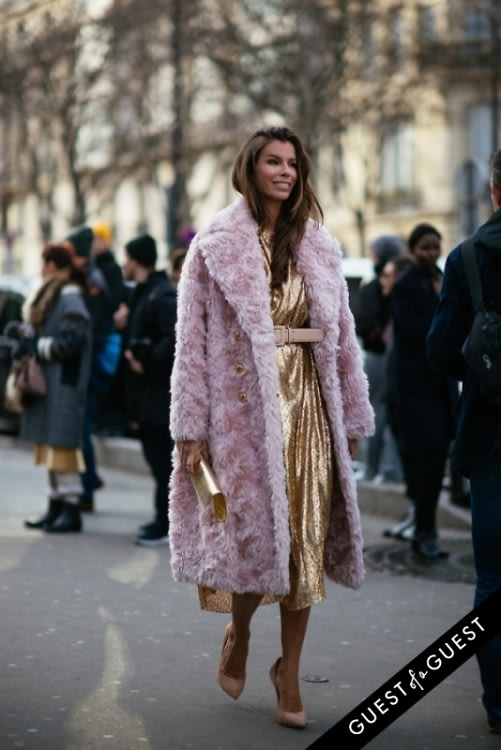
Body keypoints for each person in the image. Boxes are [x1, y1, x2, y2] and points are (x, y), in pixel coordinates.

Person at [168, 126, 374, 729]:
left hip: (309, 403)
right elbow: (192, 348)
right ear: (250, 169)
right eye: (273, 162)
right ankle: (240, 631)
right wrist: (192, 428)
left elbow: (344, 341)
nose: (285, 172)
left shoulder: (320, 244)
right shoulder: (215, 244)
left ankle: (290, 674)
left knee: (304, 542)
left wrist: (352, 417)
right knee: (256, 536)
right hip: (244, 411)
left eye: (292, 163)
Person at [427, 148, 501, 734]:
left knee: (493, 576)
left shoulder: (468, 257)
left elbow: (438, 349)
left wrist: (480, 371)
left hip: (490, 435)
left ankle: (499, 705)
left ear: (494, 192)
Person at [390, 223, 458, 559]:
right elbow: (412, 331)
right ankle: (424, 531)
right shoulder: (406, 286)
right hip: (415, 389)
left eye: (435, 247)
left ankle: (426, 532)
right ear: (413, 249)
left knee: (437, 458)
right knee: (425, 460)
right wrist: (440, 301)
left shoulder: (443, 276)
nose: (431, 254)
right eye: (424, 248)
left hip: (441, 386)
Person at [21, 243, 91, 533]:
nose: (41, 267)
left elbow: (72, 342)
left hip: (65, 382)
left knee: (63, 447)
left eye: (44, 261)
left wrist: (38, 346)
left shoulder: (69, 296)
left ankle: (71, 509)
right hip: (56, 382)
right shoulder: (58, 293)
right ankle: (56, 506)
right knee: (52, 446)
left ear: (52, 265)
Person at [115, 233, 177, 546]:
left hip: (159, 392)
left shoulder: (161, 294)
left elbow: (172, 336)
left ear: (136, 260)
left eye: (127, 258)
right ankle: (161, 519)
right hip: (144, 393)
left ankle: (167, 525)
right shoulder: (142, 293)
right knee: (155, 457)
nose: (124, 264)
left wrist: (147, 362)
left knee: (162, 459)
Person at [65, 225, 116, 512]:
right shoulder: (90, 277)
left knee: (81, 427)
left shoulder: (91, 280)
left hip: (89, 365)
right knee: (81, 426)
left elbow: (94, 327)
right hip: (89, 362)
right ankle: (87, 483)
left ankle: (86, 488)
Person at [354, 234, 405, 482]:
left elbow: (362, 324)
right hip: (398, 357)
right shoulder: (404, 283)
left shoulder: (374, 287)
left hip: (377, 357)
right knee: (390, 410)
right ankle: (391, 469)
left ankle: (373, 468)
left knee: (375, 411)